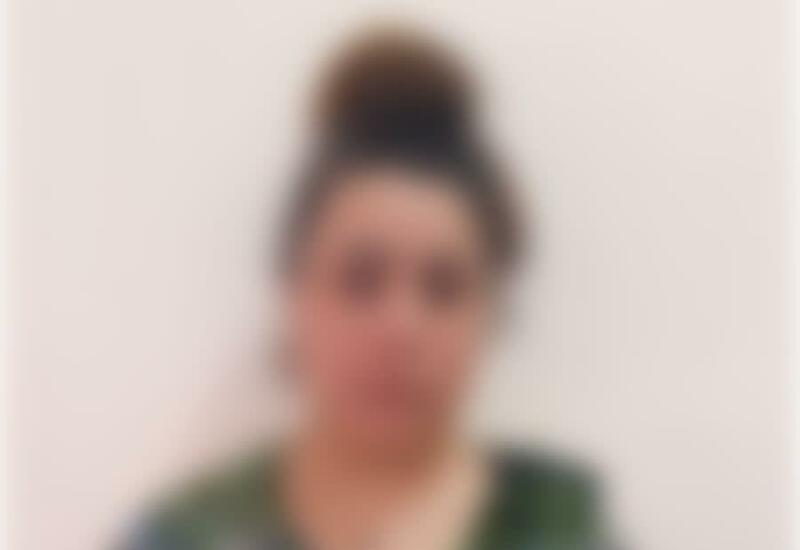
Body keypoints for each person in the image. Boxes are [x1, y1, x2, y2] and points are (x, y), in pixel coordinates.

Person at [120, 27, 608, 550]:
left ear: (492, 312)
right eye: (360, 280)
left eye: (444, 288)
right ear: (295, 297)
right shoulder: (187, 535)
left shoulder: (563, 528)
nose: (400, 327)